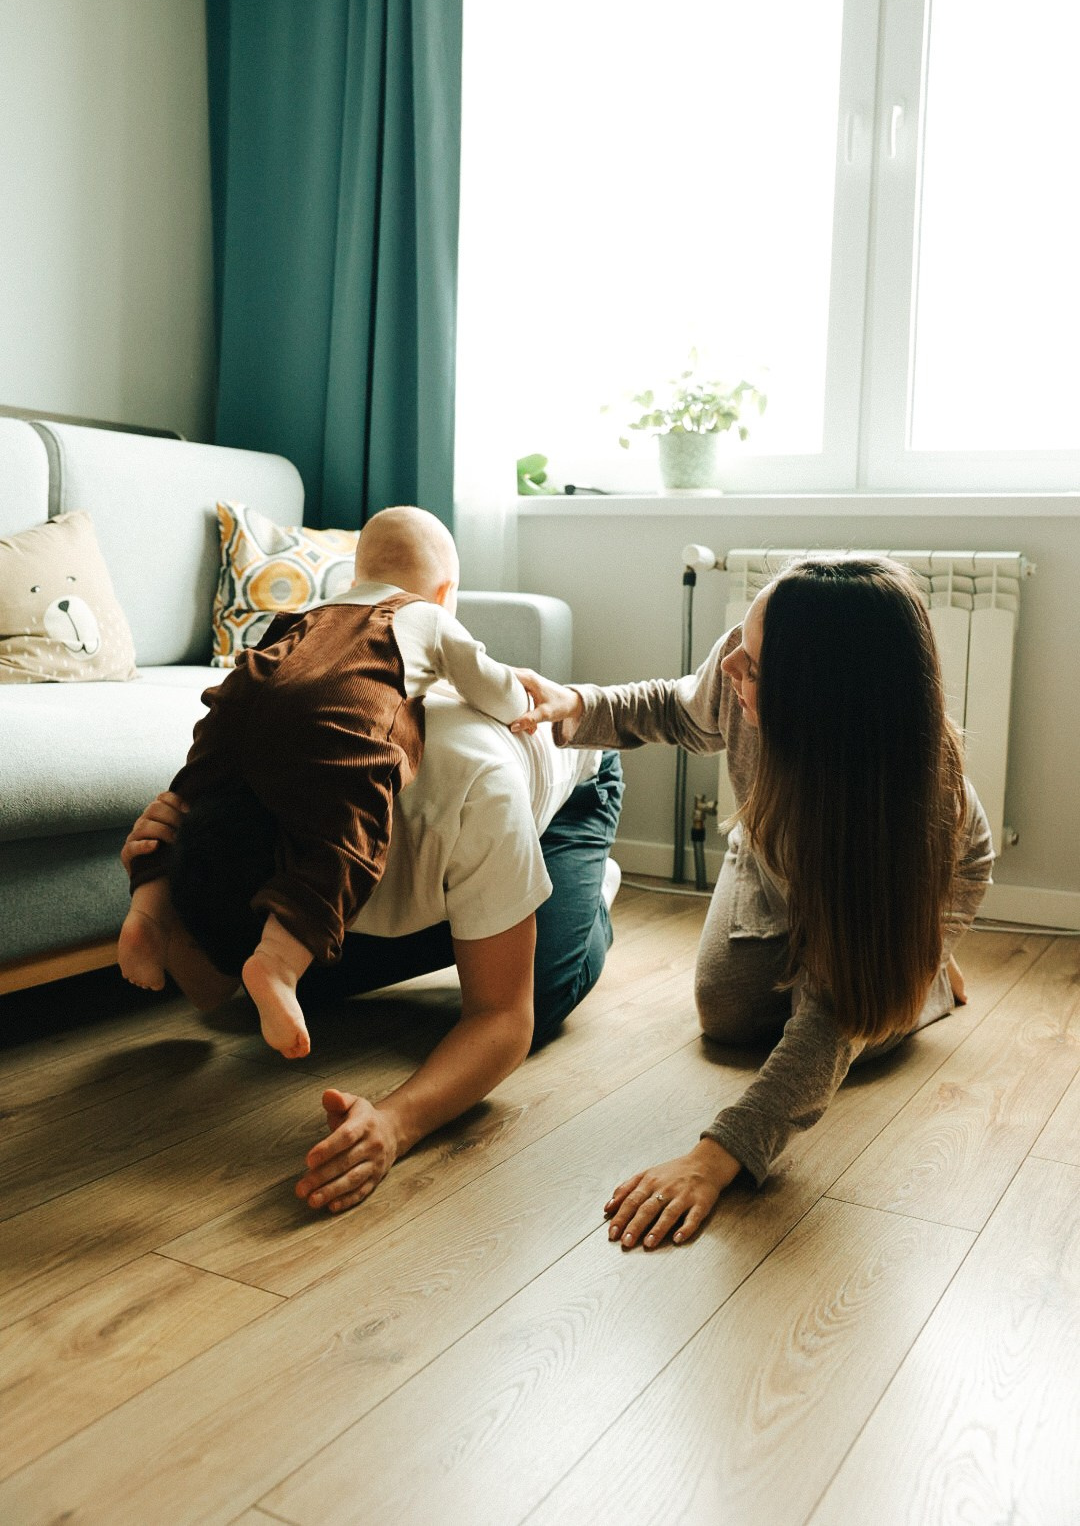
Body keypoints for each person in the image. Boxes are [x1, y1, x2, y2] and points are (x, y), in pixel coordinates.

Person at [513, 554, 995, 1250]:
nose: (730, 666)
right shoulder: (749, 663)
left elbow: (830, 1023)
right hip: (772, 847)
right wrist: (580, 706)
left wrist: (717, 1155)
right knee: (731, 1011)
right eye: (738, 640)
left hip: (899, 886)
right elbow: (679, 706)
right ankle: (876, 957)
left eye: (754, 667)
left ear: (822, 702)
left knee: (857, 1013)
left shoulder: (908, 816)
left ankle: (911, 961)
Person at [121, 689, 624, 1215]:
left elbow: (502, 1019)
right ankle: (477, 914)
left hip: (566, 783)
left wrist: (394, 1123)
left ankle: (578, 897)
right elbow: (213, 992)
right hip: (421, 849)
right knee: (277, 994)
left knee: (539, 997)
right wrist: (154, 888)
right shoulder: (224, 779)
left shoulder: (472, 793)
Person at [118, 506, 529, 1060]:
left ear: (354, 579)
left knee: (188, 804)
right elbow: (494, 690)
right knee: (344, 837)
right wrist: (524, 700)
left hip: (247, 692)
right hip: (337, 713)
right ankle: (279, 964)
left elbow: (267, 654)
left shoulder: (313, 610)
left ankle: (146, 912)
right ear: (445, 591)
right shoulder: (426, 615)